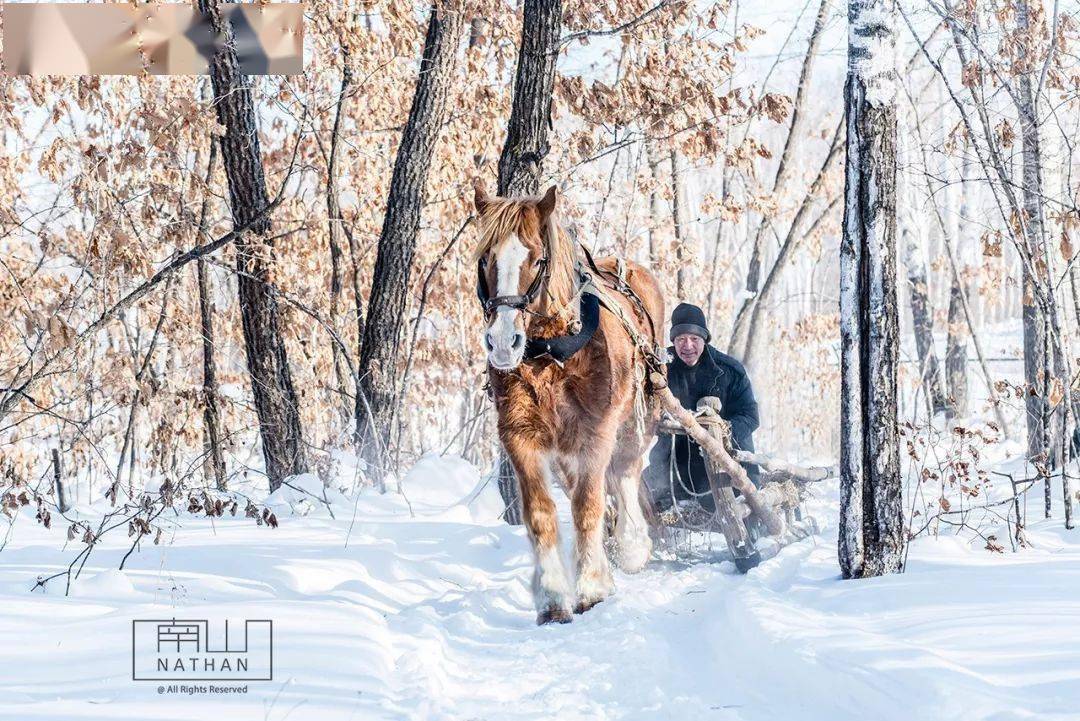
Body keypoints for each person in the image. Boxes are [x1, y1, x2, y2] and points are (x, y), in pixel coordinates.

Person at [644, 302, 760, 514]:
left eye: (694, 339)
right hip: (677, 464)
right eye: (680, 339)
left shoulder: (729, 370)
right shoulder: (662, 368)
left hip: (727, 462)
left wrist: (723, 432)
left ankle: (751, 535)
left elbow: (750, 416)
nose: (687, 346)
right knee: (639, 491)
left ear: (704, 339)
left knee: (730, 503)